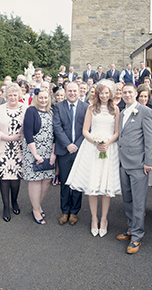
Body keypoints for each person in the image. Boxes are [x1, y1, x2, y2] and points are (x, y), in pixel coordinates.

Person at [66, 83, 121, 237]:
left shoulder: (115, 109)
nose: (104, 95)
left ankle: (104, 219)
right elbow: (85, 130)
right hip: (92, 148)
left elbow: (117, 132)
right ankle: (94, 219)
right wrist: (96, 142)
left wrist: (107, 143)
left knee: (105, 186)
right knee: (93, 186)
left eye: (107, 93)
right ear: (97, 94)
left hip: (109, 149)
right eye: (101, 93)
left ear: (111, 94)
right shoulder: (91, 108)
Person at [115, 83, 152, 254]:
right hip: (123, 163)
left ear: (136, 94)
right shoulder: (122, 111)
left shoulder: (145, 111)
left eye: (130, 92)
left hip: (139, 164)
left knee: (139, 202)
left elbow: (150, 138)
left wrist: (148, 162)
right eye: (124, 92)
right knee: (127, 199)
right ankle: (131, 228)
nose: (127, 95)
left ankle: (137, 237)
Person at [53, 81, 88, 226]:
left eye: (75, 91)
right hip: (64, 151)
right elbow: (57, 127)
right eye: (70, 91)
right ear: (65, 92)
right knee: (65, 182)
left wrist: (77, 145)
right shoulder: (58, 107)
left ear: (80, 91)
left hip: (80, 150)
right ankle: (65, 211)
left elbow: (88, 128)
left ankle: (74, 212)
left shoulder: (86, 108)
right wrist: (67, 145)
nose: (72, 93)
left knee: (77, 182)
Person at [0, 83, 26, 222]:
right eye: (10, 95)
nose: (12, 97)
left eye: (15, 94)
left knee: (16, 179)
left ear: (19, 95)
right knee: (4, 179)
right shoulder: (0, 109)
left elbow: (30, 127)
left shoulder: (25, 108)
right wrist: (9, 138)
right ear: (6, 96)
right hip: (3, 148)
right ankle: (6, 206)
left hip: (19, 149)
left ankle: (14, 202)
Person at [22, 88, 56, 225]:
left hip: (49, 150)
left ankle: (37, 205)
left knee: (46, 179)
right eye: (41, 98)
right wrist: (35, 155)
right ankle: (36, 210)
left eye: (46, 98)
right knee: (36, 181)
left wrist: (53, 153)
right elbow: (28, 133)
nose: (43, 100)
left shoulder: (52, 112)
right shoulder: (31, 111)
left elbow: (55, 134)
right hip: (34, 150)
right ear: (36, 98)